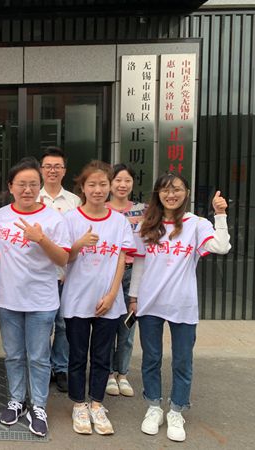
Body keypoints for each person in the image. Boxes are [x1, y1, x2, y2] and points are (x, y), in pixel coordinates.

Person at [129, 173, 230, 442]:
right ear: (157, 194)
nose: (170, 194)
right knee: (151, 358)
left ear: (186, 192)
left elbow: (221, 247)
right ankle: (153, 407)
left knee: (182, 360)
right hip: (150, 303)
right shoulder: (148, 224)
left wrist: (220, 215)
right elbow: (139, 263)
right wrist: (134, 297)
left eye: (176, 189)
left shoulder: (196, 224)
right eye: (165, 190)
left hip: (183, 304)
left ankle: (176, 410)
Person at [0, 157, 70, 437]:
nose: (27, 190)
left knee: (38, 357)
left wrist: (41, 239)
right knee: (13, 355)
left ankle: (38, 405)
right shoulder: (0, 216)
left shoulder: (53, 218)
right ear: (10, 186)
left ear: (40, 186)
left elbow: (63, 258)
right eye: (21, 184)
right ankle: (16, 400)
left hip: (41, 300)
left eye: (33, 184)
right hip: (7, 299)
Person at [61, 160, 135, 436]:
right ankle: (79, 404)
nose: (98, 189)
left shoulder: (119, 221)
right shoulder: (70, 219)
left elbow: (122, 259)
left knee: (103, 356)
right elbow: (62, 258)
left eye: (103, 184)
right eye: (91, 184)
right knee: (78, 355)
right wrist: (78, 245)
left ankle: (97, 404)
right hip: (77, 299)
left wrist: (114, 293)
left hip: (109, 300)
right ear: (82, 187)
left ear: (110, 187)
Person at [38, 146, 81, 393]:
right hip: (40, 274)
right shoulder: (33, 197)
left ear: (64, 171)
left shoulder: (74, 202)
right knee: (43, 325)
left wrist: (67, 268)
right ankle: (43, 367)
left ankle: (61, 367)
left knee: (64, 324)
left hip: (67, 273)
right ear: (41, 170)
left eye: (57, 166)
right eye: (48, 166)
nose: (52, 171)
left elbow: (77, 238)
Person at [104, 163, 147, 397]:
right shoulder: (102, 209)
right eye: (118, 180)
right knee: (108, 326)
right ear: (110, 184)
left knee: (128, 327)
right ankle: (109, 373)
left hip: (134, 274)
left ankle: (123, 373)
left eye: (127, 180)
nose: (122, 185)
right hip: (109, 274)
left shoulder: (144, 210)